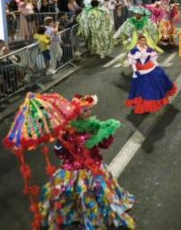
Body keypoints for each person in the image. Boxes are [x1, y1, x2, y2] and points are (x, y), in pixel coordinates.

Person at [38, 95, 135, 229]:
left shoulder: (94, 127)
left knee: (98, 195)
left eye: (89, 109)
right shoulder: (66, 131)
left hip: (92, 167)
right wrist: (61, 143)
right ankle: (74, 214)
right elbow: (59, 152)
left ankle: (96, 217)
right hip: (72, 171)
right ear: (76, 113)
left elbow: (104, 145)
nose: (89, 112)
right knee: (69, 195)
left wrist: (108, 133)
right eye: (85, 110)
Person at [126, 34, 177, 114]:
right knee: (142, 91)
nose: (143, 42)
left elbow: (153, 60)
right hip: (141, 73)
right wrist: (135, 71)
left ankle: (152, 104)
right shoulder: (134, 51)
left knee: (152, 90)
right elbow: (133, 63)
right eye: (142, 40)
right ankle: (144, 106)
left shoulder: (149, 50)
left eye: (144, 40)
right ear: (138, 41)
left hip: (151, 70)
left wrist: (158, 67)